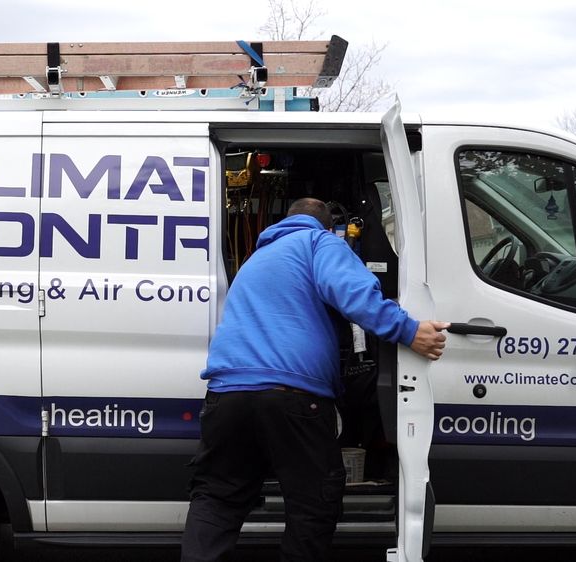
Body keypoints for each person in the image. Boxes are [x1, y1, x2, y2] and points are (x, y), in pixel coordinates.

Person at [180, 197, 449, 562]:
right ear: (328, 227)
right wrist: (410, 331)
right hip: (291, 395)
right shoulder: (320, 243)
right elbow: (355, 296)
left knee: (217, 498)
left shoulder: (255, 260)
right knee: (313, 504)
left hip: (226, 395)